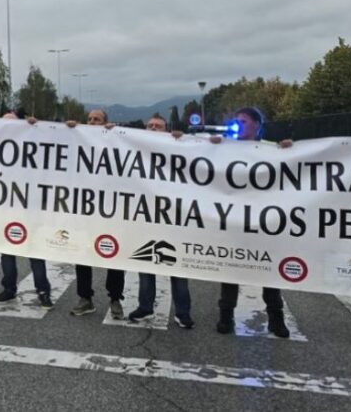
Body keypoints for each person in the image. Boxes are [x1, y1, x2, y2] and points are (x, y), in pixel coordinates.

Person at [208, 107, 292, 337]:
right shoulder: (226, 148)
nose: (238, 125)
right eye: (236, 121)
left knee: (268, 272)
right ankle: (226, 317)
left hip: (263, 223)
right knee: (230, 272)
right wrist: (208, 145)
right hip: (234, 221)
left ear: (257, 124)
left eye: (243, 121)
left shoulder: (271, 150)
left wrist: (289, 150)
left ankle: (276, 319)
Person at [125, 115, 194, 328]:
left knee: (177, 268)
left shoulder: (178, 147)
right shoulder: (135, 148)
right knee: (146, 265)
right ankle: (145, 307)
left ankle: (183, 312)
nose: (154, 128)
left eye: (159, 126)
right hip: (145, 217)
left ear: (167, 129)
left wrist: (182, 140)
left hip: (173, 219)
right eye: (150, 126)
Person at [66, 108, 125, 318]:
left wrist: (115, 133)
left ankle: (115, 299)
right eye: (89, 119)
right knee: (82, 254)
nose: (92, 122)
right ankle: (85, 298)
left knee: (114, 256)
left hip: (111, 210)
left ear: (105, 123)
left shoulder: (115, 140)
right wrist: (69, 131)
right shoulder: (78, 139)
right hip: (84, 209)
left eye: (97, 120)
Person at [0, 111, 52, 310]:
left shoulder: (31, 142)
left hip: (30, 208)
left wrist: (36, 126)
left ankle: (43, 290)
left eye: (13, 123)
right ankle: (9, 288)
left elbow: (52, 140)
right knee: (7, 251)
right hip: (5, 207)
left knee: (35, 251)